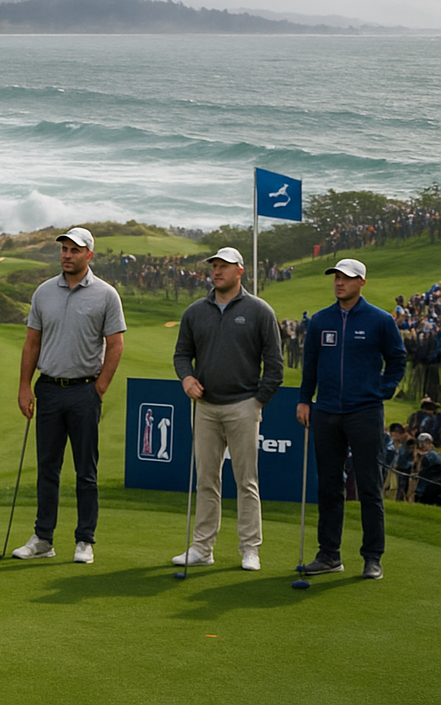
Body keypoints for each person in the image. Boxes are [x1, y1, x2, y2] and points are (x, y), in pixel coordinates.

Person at [13, 227, 127, 564]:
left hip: (84, 391)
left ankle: (84, 540)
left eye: (74, 250)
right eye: (63, 249)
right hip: (48, 389)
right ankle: (43, 539)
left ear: (89, 255)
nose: (66, 255)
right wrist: (24, 386)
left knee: (85, 471)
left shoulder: (106, 295)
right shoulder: (44, 292)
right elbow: (32, 341)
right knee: (48, 468)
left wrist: (100, 386)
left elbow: (116, 344)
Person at [169, 247, 283, 571]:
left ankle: (250, 549)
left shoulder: (260, 311)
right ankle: (202, 548)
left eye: (224, 266)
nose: (217, 271)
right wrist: (186, 377)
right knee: (207, 479)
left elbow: (274, 365)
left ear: (240, 271)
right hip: (205, 408)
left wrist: (258, 400)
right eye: (214, 266)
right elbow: (181, 354)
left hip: (243, 406)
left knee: (246, 481)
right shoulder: (195, 312)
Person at [296, 258, 407, 580]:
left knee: (369, 487)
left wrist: (383, 389)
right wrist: (305, 399)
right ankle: (329, 554)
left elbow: (397, 359)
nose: (339, 282)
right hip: (327, 411)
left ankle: (373, 556)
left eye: (346, 278)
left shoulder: (380, 320)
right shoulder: (320, 320)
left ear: (361, 282)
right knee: (329, 487)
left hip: (365, 412)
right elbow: (310, 365)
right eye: (336, 277)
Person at [414, 432, 441, 505]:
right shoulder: (421, 455)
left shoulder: (433, 456)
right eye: (421, 442)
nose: (422, 444)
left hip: (430, 484)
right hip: (424, 484)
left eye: (424, 442)